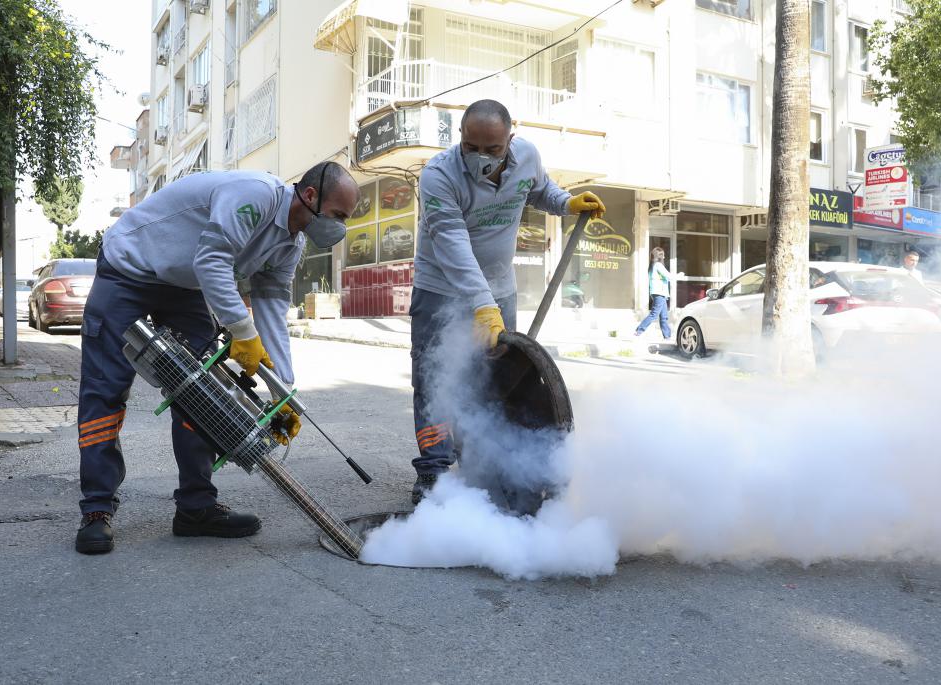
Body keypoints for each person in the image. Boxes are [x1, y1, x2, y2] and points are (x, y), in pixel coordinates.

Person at [74, 163, 358, 554]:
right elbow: (212, 261)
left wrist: (283, 391)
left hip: (184, 284)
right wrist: (242, 331)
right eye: (339, 215)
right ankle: (96, 511)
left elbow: (272, 309)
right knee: (106, 390)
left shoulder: (291, 244)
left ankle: (196, 507)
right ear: (310, 197)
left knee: (206, 393)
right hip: (130, 268)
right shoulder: (254, 195)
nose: (340, 226)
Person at [409, 99, 605, 505]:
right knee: (434, 381)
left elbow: (539, 190)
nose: (481, 157)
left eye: (492, 149)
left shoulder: (528, 156)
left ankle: (485, 462)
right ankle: (433, 471)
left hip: (499, 289)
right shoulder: (438, 175)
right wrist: (482, 305)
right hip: (441, 289)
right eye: (471, 147)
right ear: (460, 138)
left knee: (496, 379)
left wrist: (566, 203)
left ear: (510, 141)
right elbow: (452, 243)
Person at [634, 247, 672, 340]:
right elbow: (668, 275)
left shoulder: (652, 266)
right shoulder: (658, 265)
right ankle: (639, 330)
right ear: (659, 256)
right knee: (654, 314)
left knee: (664, 317)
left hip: (660, 294)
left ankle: (667, 336)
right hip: (659, 293)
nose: (664, 257)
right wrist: (679, 276)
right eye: (663, 255)